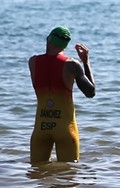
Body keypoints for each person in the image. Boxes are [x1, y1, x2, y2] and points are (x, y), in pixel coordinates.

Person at [29, 26, 95, 164]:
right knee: (68, 176)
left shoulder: (33, 62)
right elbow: (90, 92)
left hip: (41, 128)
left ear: (49, 40)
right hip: (65, 129)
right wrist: (86, 62)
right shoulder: (72, 65)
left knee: (37, 176)